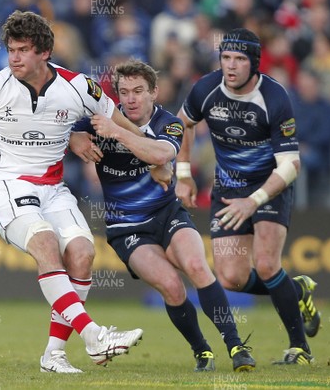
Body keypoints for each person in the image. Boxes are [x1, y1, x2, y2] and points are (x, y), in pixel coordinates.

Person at [0, 11, 151, 373]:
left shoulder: (79, 88)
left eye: (23, 50)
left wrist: (149, 148)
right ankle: (95, 336)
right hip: (3, 182)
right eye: (11, 50)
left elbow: (120, 122)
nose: (15, 58)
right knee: (46, 243)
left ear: (45, 52)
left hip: (52, 187)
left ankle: (53, 355)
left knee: (83, 254)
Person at [70, 59, 256, 372]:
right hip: (125, 226)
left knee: (197, 266)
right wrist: (75, 139)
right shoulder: (98, 118)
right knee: (171, 285)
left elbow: (161, 154)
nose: (131, 98)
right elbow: (62, 130)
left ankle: (236, 345)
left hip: (166, 212)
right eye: (125, 91)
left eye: (139, 91)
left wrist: (116, 132)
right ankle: (202, 352)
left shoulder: (168, 123)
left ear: (154, 92)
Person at [174, 28, 320, 365]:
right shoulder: (206, 88)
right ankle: (296, 290)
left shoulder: (274, 96)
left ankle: (300, 348)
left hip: (270, 185)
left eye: (239, 59)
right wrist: (183, 175)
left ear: (254, 63)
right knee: (231, 277)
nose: (231, 66)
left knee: (268, 265)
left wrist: (253, 201)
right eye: (225, 57)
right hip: (228, 188)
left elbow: (291, 164)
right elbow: (183, 123)